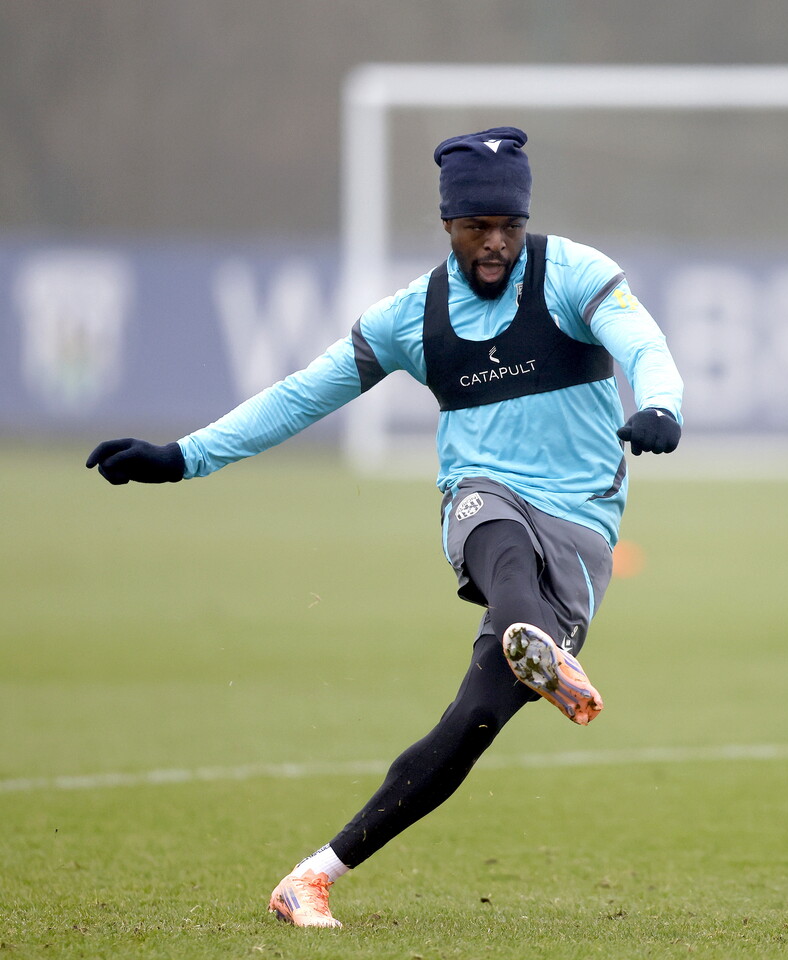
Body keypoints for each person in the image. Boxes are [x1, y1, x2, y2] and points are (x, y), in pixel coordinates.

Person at [85, 127, 685, 927]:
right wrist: (182, 457)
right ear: (447, 224)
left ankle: (312, 877)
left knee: (469, 726)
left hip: (579, 527)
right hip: (481, 496)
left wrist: (661, 406)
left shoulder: (574, 274)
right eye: (478, 227)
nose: (497, 243)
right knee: (495, 528)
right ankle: (533, 638)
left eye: (510, 224)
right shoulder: (412, 317)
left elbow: (643, 342)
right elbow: (302, 395)